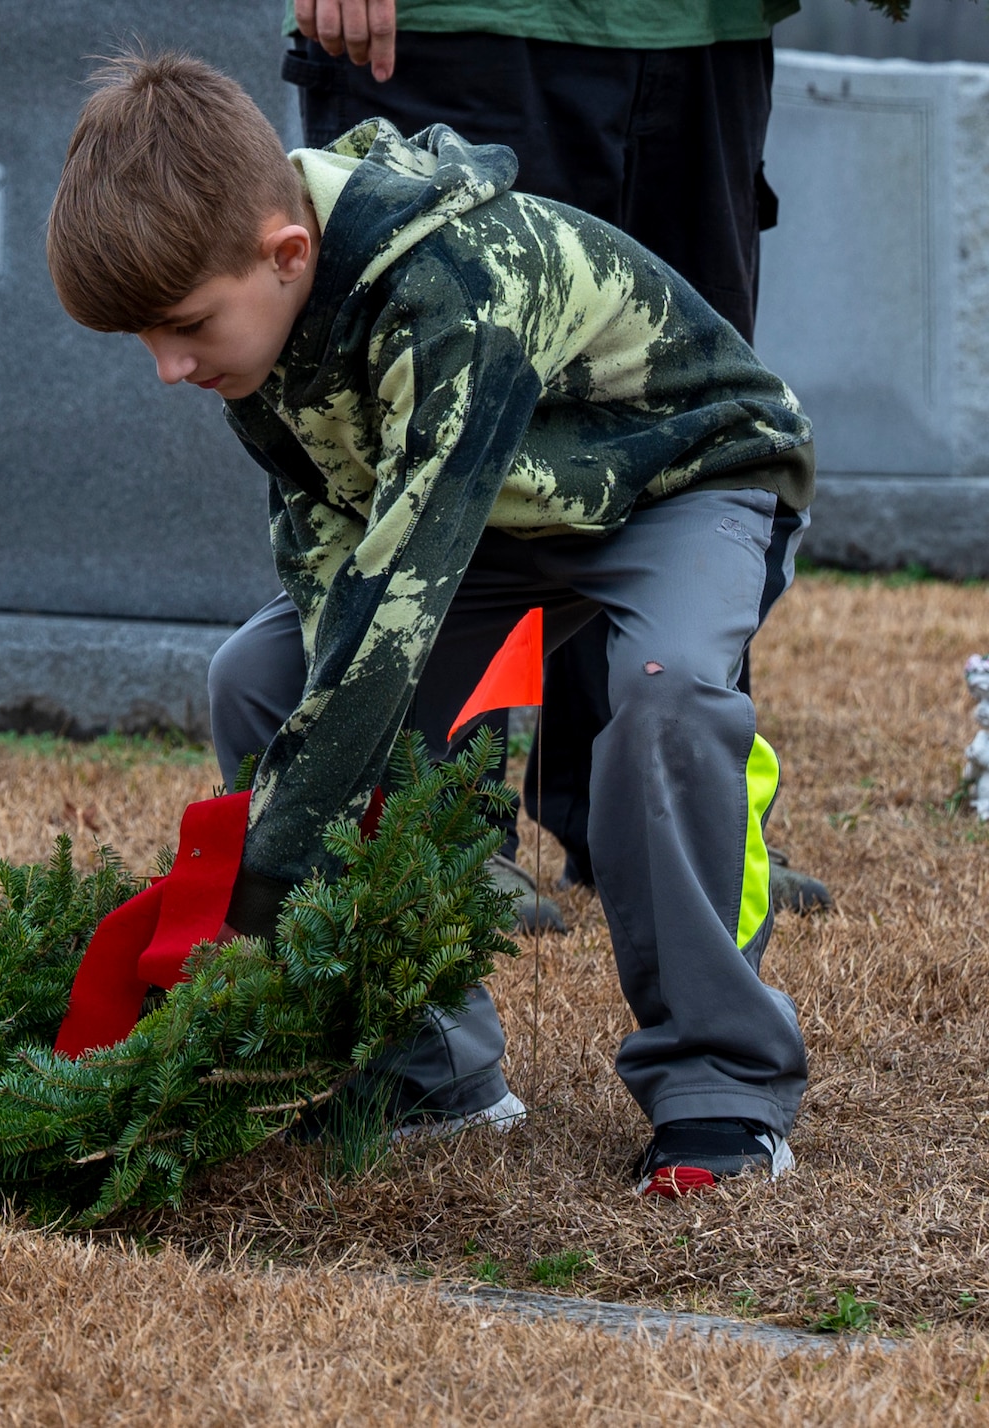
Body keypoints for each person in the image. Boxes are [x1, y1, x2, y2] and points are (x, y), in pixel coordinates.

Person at [46, 53, 814, 1194]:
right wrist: (287, 833)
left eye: (182, 327)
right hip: (494, 511)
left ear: (285, 253)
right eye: (145, 342)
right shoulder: (257, 330)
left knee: (661, 695)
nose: (168, 369)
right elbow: (326, 576)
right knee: (258, 676)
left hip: (678, 477)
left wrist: (254, 876)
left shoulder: (448, 288)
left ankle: (721, 1088)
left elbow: (398, 601)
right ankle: (432, 1071)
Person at [262, 0, 834, 927]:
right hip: (457, 28)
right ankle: (444, 841)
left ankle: (676, 829)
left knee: (672, 431)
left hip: (698, 30)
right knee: (434, 428)